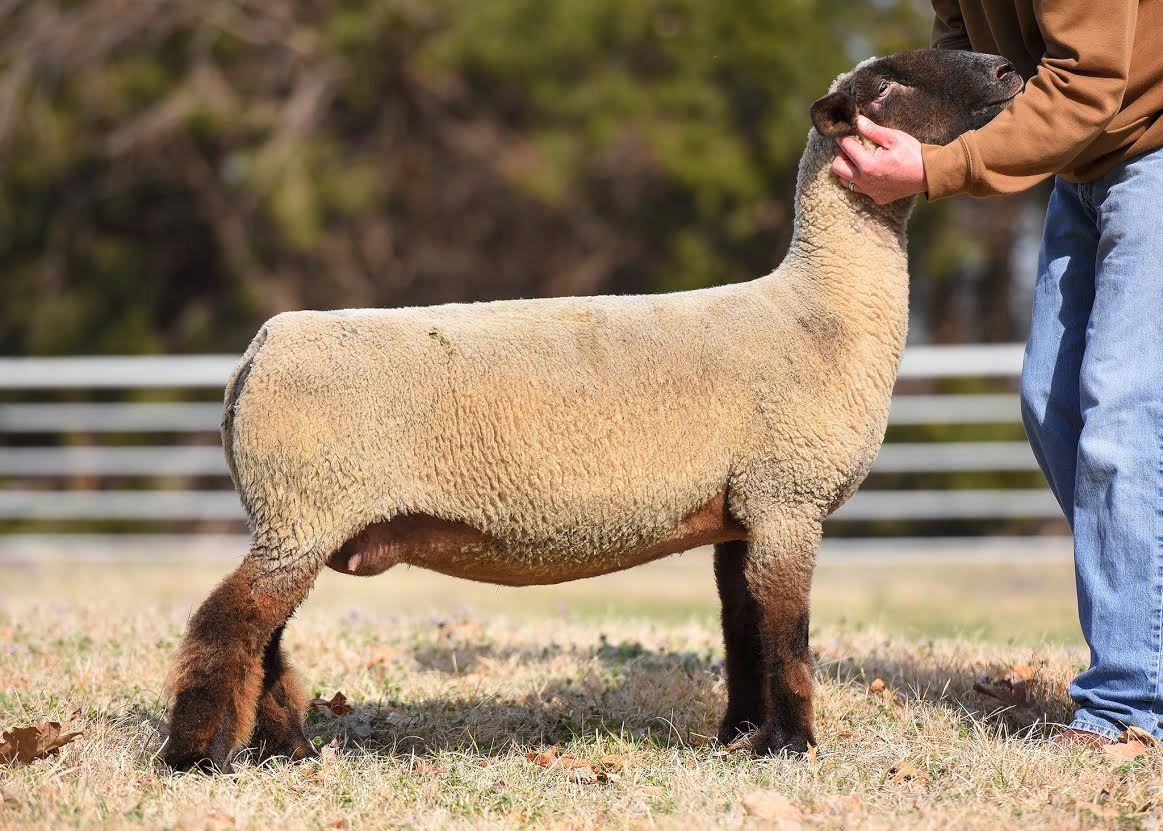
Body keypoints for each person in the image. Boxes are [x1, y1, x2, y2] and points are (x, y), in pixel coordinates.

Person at [833, 0, 1163, 747]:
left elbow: (1087, 84)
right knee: (1049, 404)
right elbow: (964, 49)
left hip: (1151, 146)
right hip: (1082, 164)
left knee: (1121, 414)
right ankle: (1147, 644)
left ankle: (1127, 707)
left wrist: (934, 169)